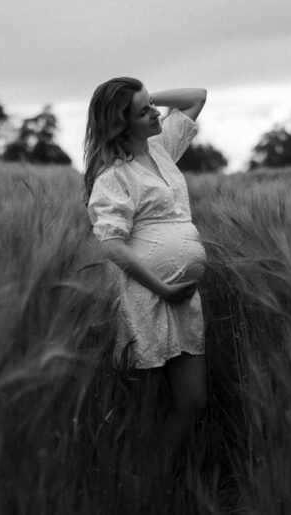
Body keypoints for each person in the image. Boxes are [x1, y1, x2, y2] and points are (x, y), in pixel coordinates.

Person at [83, 77, 209, 459]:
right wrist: (163, 288)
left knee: (194, 403)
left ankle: (165, 476)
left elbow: (197, 97)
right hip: (143, 297)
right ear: (122, 124)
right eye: (144, 112)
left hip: (182, 299)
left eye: (151, 106)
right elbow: (112, 246)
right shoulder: (113, 176)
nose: (156, 114)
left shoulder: (162, 148)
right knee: (142, 407)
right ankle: (144, 483)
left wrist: (142, 97)